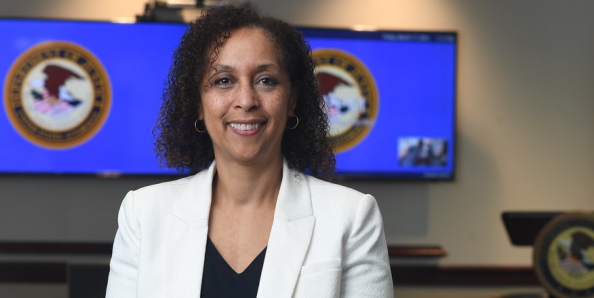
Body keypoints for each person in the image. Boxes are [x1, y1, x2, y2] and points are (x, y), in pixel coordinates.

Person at [106, 5, 393, 297]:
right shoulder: (143, 213)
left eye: (266, 80)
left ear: (291, 100)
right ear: (198, 104)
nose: (246, 100)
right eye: (223, 81)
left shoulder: (352, 216)